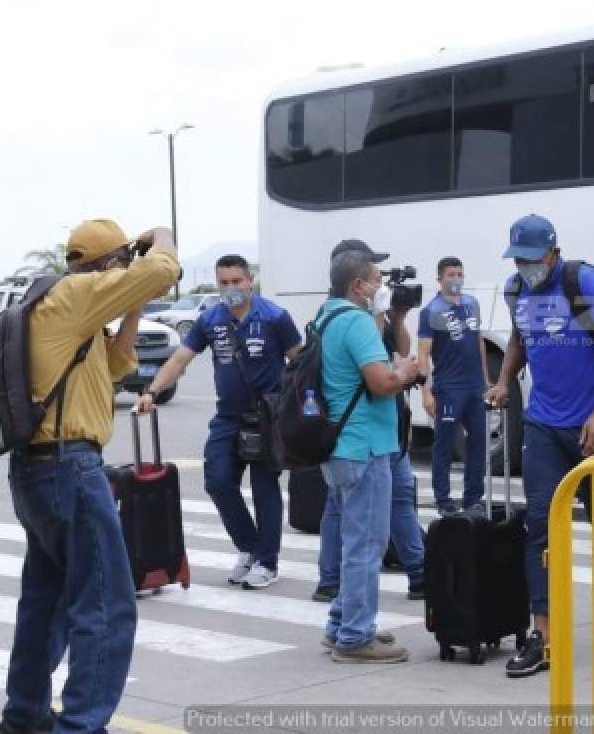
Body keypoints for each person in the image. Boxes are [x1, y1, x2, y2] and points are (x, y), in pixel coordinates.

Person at [0, 220, 178, 734]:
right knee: (104, 605)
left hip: (38, 471)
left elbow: (117, 364)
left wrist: (131, 301)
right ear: (108, 265)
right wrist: (161, 238)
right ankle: (81, 726)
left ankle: (25, 718)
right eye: (122, 264)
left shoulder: (59, 305)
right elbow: (164, 269)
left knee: (45, 601)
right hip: (69, 469)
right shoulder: (78, 295)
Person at [487, 213, 594, 678]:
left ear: (552, 252)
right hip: (545, 426)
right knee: (540, 528)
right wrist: (505, 380)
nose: (526, 267)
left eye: (532, 259)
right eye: (519, 259)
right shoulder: (515, 291)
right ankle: (544, 636)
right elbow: (518, 339)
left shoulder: (581, 282)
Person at [138, 255, 302, 590]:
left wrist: (298, 409)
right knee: (218, 481)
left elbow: (300, 362)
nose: (231, 289)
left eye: (236, 282)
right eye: (224, 283)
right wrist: (151, 392)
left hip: (267, 418)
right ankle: (249, 547)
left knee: (264, 488)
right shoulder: (210, 319)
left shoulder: (274, 317)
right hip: (228, 417)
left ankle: (266, 562)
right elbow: (181, 358)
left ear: (249, 281)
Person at [319, 250, 420, 663]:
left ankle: (342, 621)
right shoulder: (357, 322)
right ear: (358, 285)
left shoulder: (326, 316)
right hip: (365, 446)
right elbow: (381, 383)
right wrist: (407, 373)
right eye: (376, 280)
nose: (382, 286)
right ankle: (355, 637)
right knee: (366, 545)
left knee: (354, 539)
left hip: (341, 446)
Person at [418, 256, 490, 516]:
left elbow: (479, 340)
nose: (456, 279)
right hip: (449, 388)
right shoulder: (430, 311)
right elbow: (423, 355)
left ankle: (473, 499)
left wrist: (486, 381)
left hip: (474, 387)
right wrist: (426, 392)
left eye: (460, 274)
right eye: (451, 275)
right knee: (444, 445)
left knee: (479, 443)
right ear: (439, 279)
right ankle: (444, 500)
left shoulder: (472, 304)